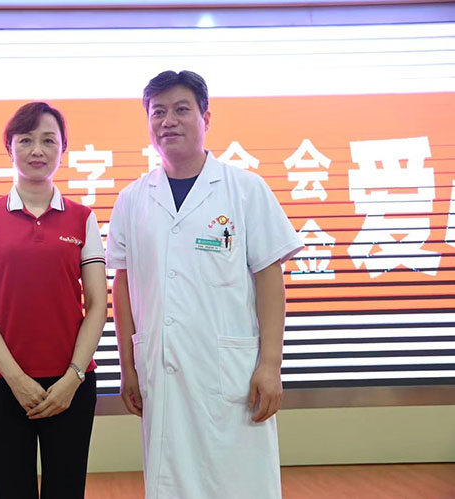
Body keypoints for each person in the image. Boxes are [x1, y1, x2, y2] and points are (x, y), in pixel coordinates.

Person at [106, 70, 303, 498]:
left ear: (206, 117)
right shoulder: (132, 199)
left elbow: (270, 279)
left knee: (240, 480)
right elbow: (123, 286)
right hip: (160, 369)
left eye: (181, 109)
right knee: (171, 479)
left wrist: (270, 364)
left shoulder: (245, 189)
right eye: (158, 112)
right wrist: (128, 366)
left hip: (231, 372)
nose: (168, 121)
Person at [0, 102, 108, 499]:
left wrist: (73, 378)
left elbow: (97, 305)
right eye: (25, 140)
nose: (37, 150)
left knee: (66, 490)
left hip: (70, 386)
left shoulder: (83, 218)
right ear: (9, 147)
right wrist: (17, 379)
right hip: (0, 384)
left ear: (63, 148)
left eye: (48, 140)